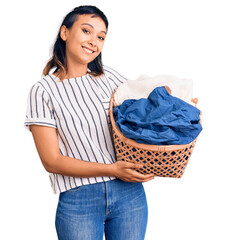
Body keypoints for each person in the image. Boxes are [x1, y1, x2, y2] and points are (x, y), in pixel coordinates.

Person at [24, 5, 154, 240]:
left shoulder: (110, 78)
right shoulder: (43, 91)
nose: (94, 41)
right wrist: (111, 170)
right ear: (65, 33)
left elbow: (145, 112)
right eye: (86, 31)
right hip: (78, 199)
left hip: (129, 194)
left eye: (101, 37)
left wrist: (179, 110)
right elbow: (51, 161)